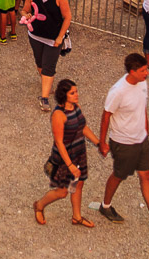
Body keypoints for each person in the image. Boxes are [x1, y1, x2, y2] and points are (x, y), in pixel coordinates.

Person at [97, 53, 149, 229]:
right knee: (119, 175)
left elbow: (143, 106)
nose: (146, 73)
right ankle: (105, 206)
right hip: (123, 142)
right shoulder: (118, 91)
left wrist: (146, 129)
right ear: (132, 71)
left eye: (145, 69)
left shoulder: (142, 83)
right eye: (142, 70)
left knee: (146, 175)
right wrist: (102, 142)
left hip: (141, 139)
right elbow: (106, 116)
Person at [33, 78, 100, 227]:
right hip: (65, 158)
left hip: (79, 152)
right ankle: (39, 205)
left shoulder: (76, 106)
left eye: (76, 92)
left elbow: (83, 127)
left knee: (79, 184)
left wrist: (98, 142)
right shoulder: (58, 115)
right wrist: (70, 166)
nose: (76, 95)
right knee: (62, 191)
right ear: (64, 96)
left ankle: (77, 216)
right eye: (72, 93)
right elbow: (59, 142)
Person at [21, 0, 72, 112]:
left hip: (53, 39)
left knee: (49, 66)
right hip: (35, 36)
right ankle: (47, 84)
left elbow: (67, 16)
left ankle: (44, 98)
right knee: (39, 62)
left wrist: (60, 36)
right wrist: (26, 15)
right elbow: (24, 10)